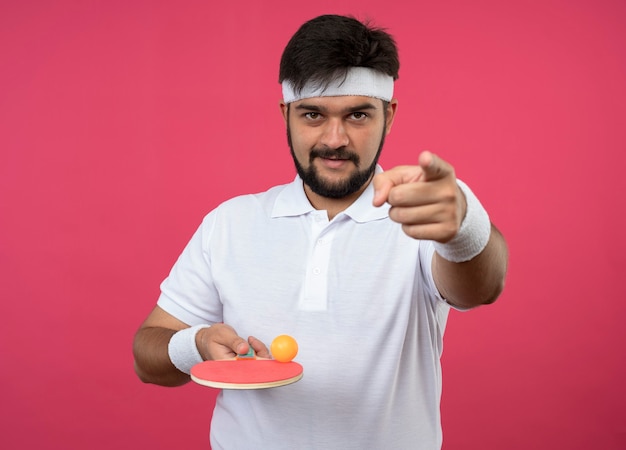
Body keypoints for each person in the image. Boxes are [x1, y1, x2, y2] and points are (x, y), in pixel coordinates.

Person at [133, 14, 508, 450]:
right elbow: (148, 354)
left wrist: (463, 223)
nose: (334, 138)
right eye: (313, 114)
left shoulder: (419, 219)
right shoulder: (229, 223)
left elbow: (483, 286)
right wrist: (195, 343)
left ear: (388, 116)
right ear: (286, 115)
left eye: (357, 115)